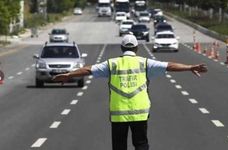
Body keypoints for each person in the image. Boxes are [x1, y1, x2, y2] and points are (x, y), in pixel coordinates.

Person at [52, 34, 208, 150]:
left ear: (122, 48)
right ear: (136, 48)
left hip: (119, 113)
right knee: (141, 144)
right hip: (140, 113)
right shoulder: (145, 62)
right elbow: (169, 66)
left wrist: (69, 75)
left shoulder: (111, 64)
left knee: (119, 146)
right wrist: (190, 67)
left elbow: (88, 69)